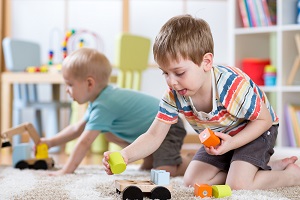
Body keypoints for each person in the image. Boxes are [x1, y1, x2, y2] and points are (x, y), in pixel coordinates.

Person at [103, 14, 300, 190]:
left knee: (239, 185)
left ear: (206, 62)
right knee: (192, 181)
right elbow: (154, 135)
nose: (171, 81)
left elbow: (263, 120)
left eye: (179, 73)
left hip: (256, 131)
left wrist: (232, 143)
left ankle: (291, 176)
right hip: (221, 137)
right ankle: (259, 167)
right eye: (165, 73)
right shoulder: (174, 94)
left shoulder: (231, 86)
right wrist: (125, 156)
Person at [39, 47, 191, 176]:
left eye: (70, 84)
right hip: (149, 131)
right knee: (108, 133)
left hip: (168, 126)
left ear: (89, 83)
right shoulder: (100, 100)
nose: (67, 90)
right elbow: (77, 128)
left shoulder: (104, 105)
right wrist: (50, 142)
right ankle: (150, 158)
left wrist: (66, 171)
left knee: (164, 172)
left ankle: (190, 163)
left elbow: (85, 141)